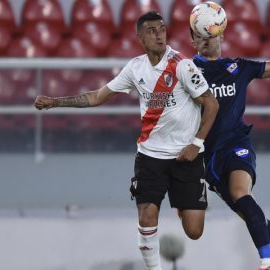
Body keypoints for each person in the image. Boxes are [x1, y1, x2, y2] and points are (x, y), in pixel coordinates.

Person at [34, 11, 219, 270]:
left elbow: (211, 104)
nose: (159, 35)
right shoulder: (135, 67)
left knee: (194, 231)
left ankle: (180, 202)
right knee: (147, 215)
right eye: (152, 31)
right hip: (150, 156)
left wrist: (196, 144)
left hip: (185, 156)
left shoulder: (182, 65)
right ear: (140, 38)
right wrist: (55, 102)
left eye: (162, 29)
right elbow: (97, 96)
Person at [190, 28, 270, 270]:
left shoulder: (239, 67)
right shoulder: (187, 71)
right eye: (199, 35)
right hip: (209, 158)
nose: (205, 39)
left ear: (222, 35)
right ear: (192, 39)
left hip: (237, 144)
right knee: (250, 215)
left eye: (210, 33)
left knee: (241, 193)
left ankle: (267, 262)